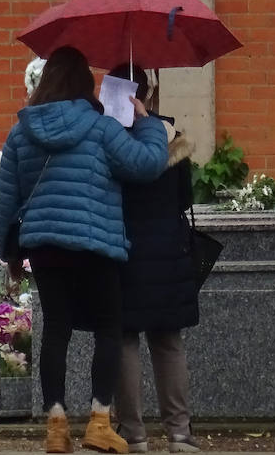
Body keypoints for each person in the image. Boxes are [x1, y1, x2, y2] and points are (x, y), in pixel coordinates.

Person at [0, 47, 170, 454]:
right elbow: (146, 165)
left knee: (56, 329)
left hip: (44, 246)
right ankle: (99, 422)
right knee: (109, 329)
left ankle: (56, 426)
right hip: (96, 243)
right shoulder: (101, 127)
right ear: (83, 84)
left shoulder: (21, 132)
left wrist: (10, 254)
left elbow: (8, 199)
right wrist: (146, 123)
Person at [106, 65, 200, 454]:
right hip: (167, 252)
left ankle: (133, 433)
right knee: (168, 341)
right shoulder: (171, 138)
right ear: (146, 93)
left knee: (125, 339)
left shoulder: (107, 140)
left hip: (122, 249)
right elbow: (185, 201)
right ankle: (179, 434)